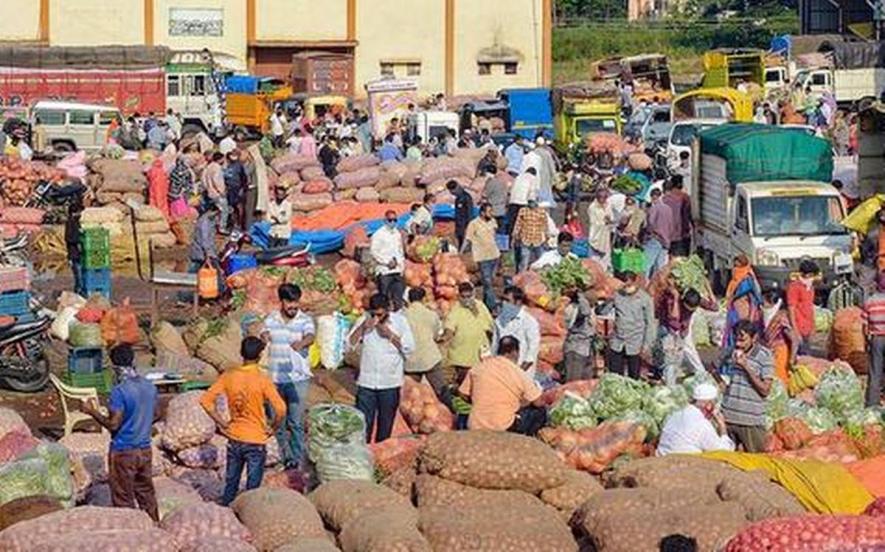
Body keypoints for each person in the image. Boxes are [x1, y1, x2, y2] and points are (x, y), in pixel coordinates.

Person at [200, 337, 286, 506]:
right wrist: (273, 428)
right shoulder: (263, 379)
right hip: (256, 440)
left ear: (241, 354)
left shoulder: (229, 376)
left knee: (231, 483)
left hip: (235, 438)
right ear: (260, 356)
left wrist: (221, 422)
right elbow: (281, 409)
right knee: (252, 488)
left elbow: (205, 400)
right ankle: (248, 516)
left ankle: (227, 512)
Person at [80, 344, 159, 521]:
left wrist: (91, 411)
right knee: (146, 494)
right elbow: (156, 414)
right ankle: (155, 529)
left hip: (124, 452)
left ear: (114, 367)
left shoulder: (119, 391)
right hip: (145, 450)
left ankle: (130, 535)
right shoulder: (149, 386)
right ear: (133, 361)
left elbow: (114, 425)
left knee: (123, 498)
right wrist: (141, 424)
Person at [349, 293, 415, 442]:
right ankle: (363, 455)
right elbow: (349, 345)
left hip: (389, 383)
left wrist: (390, 336)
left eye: (381, 314)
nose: (377, 317)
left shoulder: (400, 322)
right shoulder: (364, 321)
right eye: (374, 313)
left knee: (385, 425)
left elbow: (409, 348)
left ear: (388, 309)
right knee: (363, 426)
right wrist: (362, 328)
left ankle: (380, 454)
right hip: (367, 383)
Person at [262, 284, 315, 469]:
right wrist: (264, 336)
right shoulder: (271, 319)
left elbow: (310, 336)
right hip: (275, 380)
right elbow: (264, 333)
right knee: (279, 423)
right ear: (282, 302)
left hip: (297, 379)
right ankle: (285, 458)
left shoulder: (305, 320)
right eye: (289, 302)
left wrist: (301, 344)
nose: (293, 306)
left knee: (296, 423)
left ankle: (298, 460)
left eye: (296, 302)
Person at [458, 336, 546, 435]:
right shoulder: (517, 372)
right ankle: (528, 439)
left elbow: (462, 393)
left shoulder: (479, 367)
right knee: (540, 412)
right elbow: (538, 402)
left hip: (476, 424)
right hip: (503, 425)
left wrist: (476, 400)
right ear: (515, 352)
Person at [720, 319, 774, 453]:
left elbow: (765, 390)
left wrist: (746, 367)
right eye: (736, 339)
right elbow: (726, 385)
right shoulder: (730, 353)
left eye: (743, 340)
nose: (738, 344)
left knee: (756, 460)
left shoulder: (764, 356)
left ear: (754, 338)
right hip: (729, 417)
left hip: (751, 421)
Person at [656, 280, 717, 385]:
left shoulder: (694, 299)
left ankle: (701, 374)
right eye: (690, 309)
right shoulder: (672, 300)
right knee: (670, 358)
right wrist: (675, 298)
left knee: (688, 352)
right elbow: (673, 319)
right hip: (669, 330)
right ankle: (670, 385)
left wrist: (708, 288)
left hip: (683, 330)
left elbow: (715, 307)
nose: (691, 311)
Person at [656, 382, 734, 456]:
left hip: (662, 457)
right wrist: (722, 427)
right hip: (685, 464)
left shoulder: (675, 415)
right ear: (709, 405)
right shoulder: (702, 425)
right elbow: (723, 451)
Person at [442, 282, 495, 385]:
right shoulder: (455, 309)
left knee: (481, 379)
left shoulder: (481, 306)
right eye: (463, 297)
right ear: (459, 296)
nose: (466, 299)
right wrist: (445, 337)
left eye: (469, 296)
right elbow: (449, 327)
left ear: (473, 294)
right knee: (465, 381)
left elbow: (490, 325)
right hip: (462, 354)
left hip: (480, 351)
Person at [609, 271, 656, 380]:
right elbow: (601, 312)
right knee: (615, 376)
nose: (626, 288)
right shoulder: (617, 295)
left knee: (633, 376)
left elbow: (650, 323)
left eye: (629, 285)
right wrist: (609, 300)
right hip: (617, 341)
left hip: (635, 342)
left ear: (635, 282)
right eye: (624, 285)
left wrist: (646, 345)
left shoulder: (645, 298)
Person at [403, 288, 447, 400]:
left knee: (410, 396)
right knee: (442, 390)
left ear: (408, 299)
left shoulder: (402, 316)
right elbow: (436, 335)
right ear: (424, 299)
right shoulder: (431, 315)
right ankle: (451, 412)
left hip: (410, 360)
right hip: (430, 358)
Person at [494, 286, 541, 380]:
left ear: (518, 302)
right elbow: (494, 345)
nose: (504, 303)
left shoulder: (529, 322)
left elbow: (532, 352)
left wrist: (518, 372)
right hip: (501, 371)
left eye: (507, 300)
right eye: (503, 299)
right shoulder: (499, 320)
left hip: (522, 374)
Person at [722, 254, 763, 349]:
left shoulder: (747, 279)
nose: (735, 267)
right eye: (734, 265)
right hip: (735, 312)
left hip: (745, 313)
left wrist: (751, 317)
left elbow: (753, 298)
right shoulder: (736, 278)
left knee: (744, 336)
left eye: (737, 264)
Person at [761, 286, 800, 385]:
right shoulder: (768, 317)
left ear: (774, 303)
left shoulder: (781, 318)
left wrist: (791, 359)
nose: (763, 306)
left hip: (780, 355)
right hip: (771, 355)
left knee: (780, 383)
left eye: (765, 303)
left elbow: (794, 339)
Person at [371, 210, 406, 308]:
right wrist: (387, 262)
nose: (393, 223)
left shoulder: (397, 233)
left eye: (395, 220)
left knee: (398, 297)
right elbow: (374, 252)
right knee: (384, 298)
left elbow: (400, 251)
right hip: (385, 271)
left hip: (397, 270)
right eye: (390, 220)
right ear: (385, 220)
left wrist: (402, 265)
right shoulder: (378, 234)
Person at [563, 284, 596, 382]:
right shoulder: (573, 309)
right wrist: (579, 294)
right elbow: (585, 311)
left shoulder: (590, 309)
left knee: (586, 384)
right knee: (573, 383)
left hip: (587, 350)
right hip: (575, 350)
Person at [786, 260, 820, 355]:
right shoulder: (794, 287)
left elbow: (810, 307)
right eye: (810, 275)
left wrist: (813, 326)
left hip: (807, 327)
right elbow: (791, 309)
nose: (811, 278)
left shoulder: (810, 288)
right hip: (799, 327)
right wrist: (795, 330)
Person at [862, 272, 885, 407]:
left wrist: (866, 341)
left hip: (876, 339)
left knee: (875, 372)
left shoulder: (870, 301)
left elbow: (865, 325)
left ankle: (872, 404)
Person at [512, 199, 549, 273]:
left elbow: (545, 226)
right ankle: (521, 279)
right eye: (530, 202)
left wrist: (547, 238)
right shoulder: (523, 211)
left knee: (540, 261)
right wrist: (515, 236)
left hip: (538, 240)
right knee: (524, 262)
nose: (531, 204)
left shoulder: (542, 212)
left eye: (533, 202)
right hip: (526, 239)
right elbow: (518, 224)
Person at [644, 188, 674, 278]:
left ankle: (644, 285)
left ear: (652, 197)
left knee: (647, 264)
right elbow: (671, 225)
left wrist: (648, 234)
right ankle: (658, 286)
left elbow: (651, 222)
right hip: (666, 241)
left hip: (656, 238)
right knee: (660, 267)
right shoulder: (668, 209)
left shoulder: (654, 208)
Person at [663, 176, 692, 257]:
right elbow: (689, 215)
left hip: (667, 234)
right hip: (681, 235)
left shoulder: (665, 199)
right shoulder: (685, 198)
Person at [587, 188, 614, 270]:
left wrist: (609, 220)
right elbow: (593, 222)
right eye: (600, 197)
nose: (602, 199)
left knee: (605, 261)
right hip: (596, 234)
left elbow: (611, 217)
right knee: (594, 261)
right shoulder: (592, 207)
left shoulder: (608, 205)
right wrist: (604, 223)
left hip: (605, 235)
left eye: (604, 197)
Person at [189, 200, 218, 274]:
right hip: (200, 253)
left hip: (202, 253)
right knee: (195, 271)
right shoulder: (204, 222)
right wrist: (208, 254)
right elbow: (204, 240)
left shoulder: (210, 220)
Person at [224, 150, 249, 232]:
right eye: (232, 155)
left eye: (235, 155)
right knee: (231, 208)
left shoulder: (240, 166)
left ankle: (240, 225)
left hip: (238, 189)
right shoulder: (228, 165)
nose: (233, 156)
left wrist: (242, 189)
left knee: (239, 208)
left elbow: (244, 179)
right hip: (229, 190)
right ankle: (231, 224)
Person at [202, 152, 228, 232]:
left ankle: (212, 225)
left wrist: (207, 188)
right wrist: (221, 191)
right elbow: (217, 180)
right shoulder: (217, 168)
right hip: (217, 193)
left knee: (214, 210)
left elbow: (203, 178)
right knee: (224, 210)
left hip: (209, 192)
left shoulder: (208, 166)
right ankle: (221, 227)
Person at [65, 195, 84, 294]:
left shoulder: (77, 222)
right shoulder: (70, 223)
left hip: (79, 255)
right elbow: (69, 238)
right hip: (74, 255)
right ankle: (77, 295)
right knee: (79, 279)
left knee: (82, 278)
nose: (80, 214)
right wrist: (79, 239)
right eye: (78, 212)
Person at [448, 179, 474, 249]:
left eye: (452, 191)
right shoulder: (458, 199)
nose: (451, 193)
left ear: (456, 188)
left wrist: (468, 226)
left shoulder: (466, 197)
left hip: (465, 225)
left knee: (465, 245)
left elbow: (470, 213)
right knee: (460, 243)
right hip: (459, 225)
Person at [481, 166, 509, 232]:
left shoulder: (490, 182)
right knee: (501, 230)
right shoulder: (501, 182)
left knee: (492, 230)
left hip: (493, 210)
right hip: (502, 209)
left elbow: (485, 194)